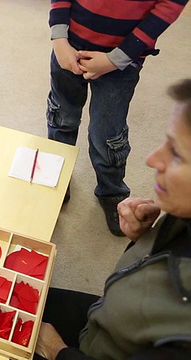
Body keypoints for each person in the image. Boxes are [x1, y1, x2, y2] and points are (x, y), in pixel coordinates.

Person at [35, 79, 191, 359]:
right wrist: (146, 239)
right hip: (107, 324)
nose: (152, 159)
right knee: (11, 298)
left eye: (177, 154)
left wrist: (58, 351)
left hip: (92, 347)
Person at [46, 0, 188, 236]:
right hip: (68, 46)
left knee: (108, 133)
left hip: (121, 60)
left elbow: (167, 9)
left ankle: (112, 191)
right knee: (61, 115)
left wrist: (116, 59)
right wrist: (59, 38)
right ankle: (56, 176)